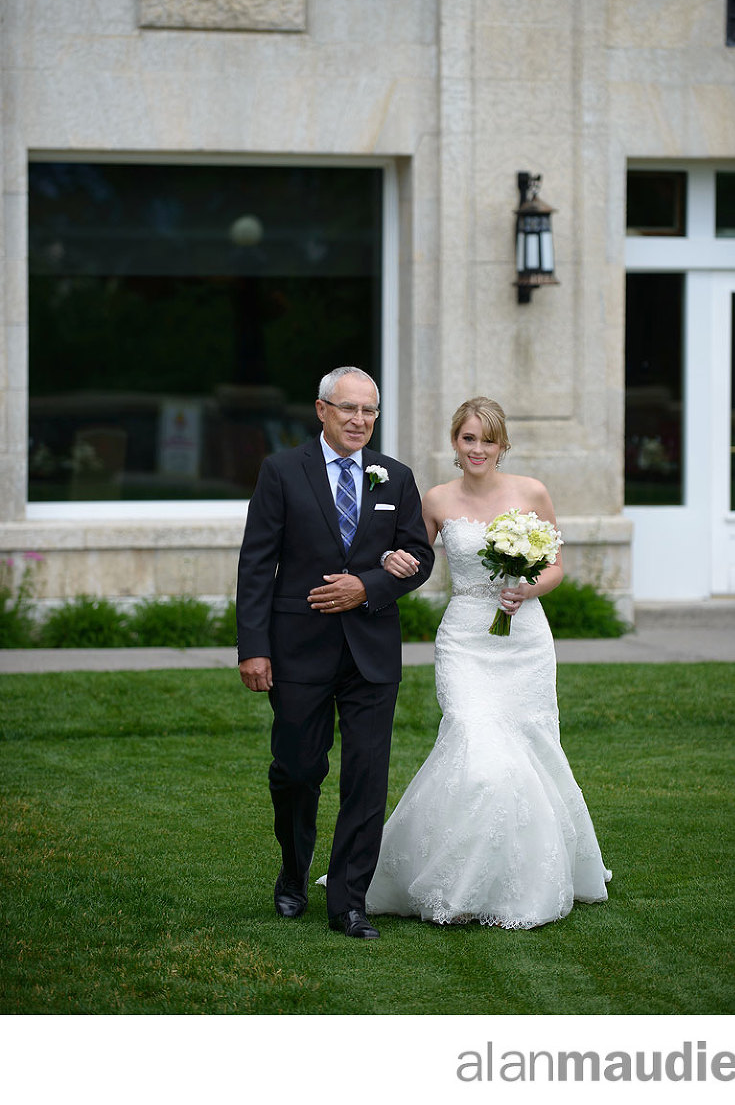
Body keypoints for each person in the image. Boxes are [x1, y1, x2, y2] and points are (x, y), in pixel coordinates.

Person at [364, 396, 611, 929]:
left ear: (503, 444)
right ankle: (453, 874)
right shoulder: (434, 499)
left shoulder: (531, 492)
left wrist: (527, 587)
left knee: (530, 743)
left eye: (488, 439)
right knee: (472, 738)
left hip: (524, 639)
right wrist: (387, 560)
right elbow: (413, 561)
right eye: (468, 438)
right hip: (464, 638)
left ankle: (519, 876)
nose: (478, 449)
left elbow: (556, 566)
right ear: (455, 442)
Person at [236, 366, 434, 940]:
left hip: (371, 651)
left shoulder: (394, 477)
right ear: (321, 410)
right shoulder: (281, 472)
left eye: (369, 411)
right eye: (348, 409)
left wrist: (372, 585)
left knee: (367, 778)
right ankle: (294, 875)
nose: (360, 420)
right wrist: (254, 647)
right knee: (298, 769)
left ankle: (349, 901)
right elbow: (256, 564)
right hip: (297, 649)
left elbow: (416, 553)